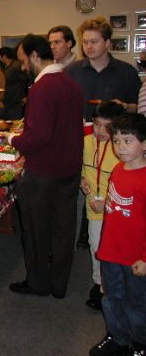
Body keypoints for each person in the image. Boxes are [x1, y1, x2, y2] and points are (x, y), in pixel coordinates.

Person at [8, 34, 84, 299]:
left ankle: (39, 282)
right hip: (69, 168)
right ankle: (59, 283)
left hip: (44, 171)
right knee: (64, 229)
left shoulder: (42, 88)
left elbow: (37, 137)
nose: (23, 67)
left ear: (34, 56)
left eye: (24, 60)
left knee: (37, 229)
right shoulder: (70, 83)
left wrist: (12, 139)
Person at [89, 113, 146, 356]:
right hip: (111, 251)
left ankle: (140, 343)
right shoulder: (119, 170)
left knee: (137, 305)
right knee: (111, 299)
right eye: (116, 141)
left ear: (144, 144)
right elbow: (120, 207)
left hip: (135, 257)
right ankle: (118, 337)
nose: (120, 147)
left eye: (127, 141)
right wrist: (104, 206)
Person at [80, 101, 125, 311]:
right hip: (94, 208)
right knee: (96, 245)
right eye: (97, 124)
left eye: (107, 127)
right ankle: (99, 284)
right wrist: (82, 180)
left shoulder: (122, 150)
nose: (100, 131)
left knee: (119, 249)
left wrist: (107, 202)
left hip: (117, 211)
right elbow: (79, 167)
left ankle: (115, 287)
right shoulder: (86, 142)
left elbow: (127, 186)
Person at [66, 17, 142, 120]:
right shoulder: (71, 71)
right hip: (80, 133)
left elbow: (138, 108)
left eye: (94, 42)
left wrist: (125, 107)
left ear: (107, 43)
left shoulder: (127, 72)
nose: (88, 46)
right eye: (85, 42)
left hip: (115, 134)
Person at [0, 46, 29, 120]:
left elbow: (27, 79)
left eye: (0, 56)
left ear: (4, 56)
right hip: (6, 102)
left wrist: (27, 96)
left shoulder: (17, 66)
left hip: (17, 102)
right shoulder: (3, 67)